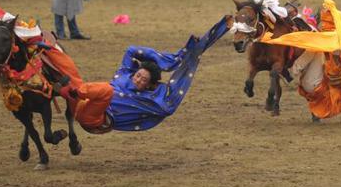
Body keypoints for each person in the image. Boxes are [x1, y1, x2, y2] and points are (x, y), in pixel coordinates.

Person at [56, 17, 229, 134]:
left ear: (149, 85)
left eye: (143, 80)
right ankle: (45, 53)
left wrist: (190, 54)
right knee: (66, 71)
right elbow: (131, 50)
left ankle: (72, 91)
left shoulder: (149, 100)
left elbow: (168, 103)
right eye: (138, 75)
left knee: (105, 90)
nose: (138, 79)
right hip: (81, 103)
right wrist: (170, 61)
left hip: (95, 119)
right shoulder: (125, 72)